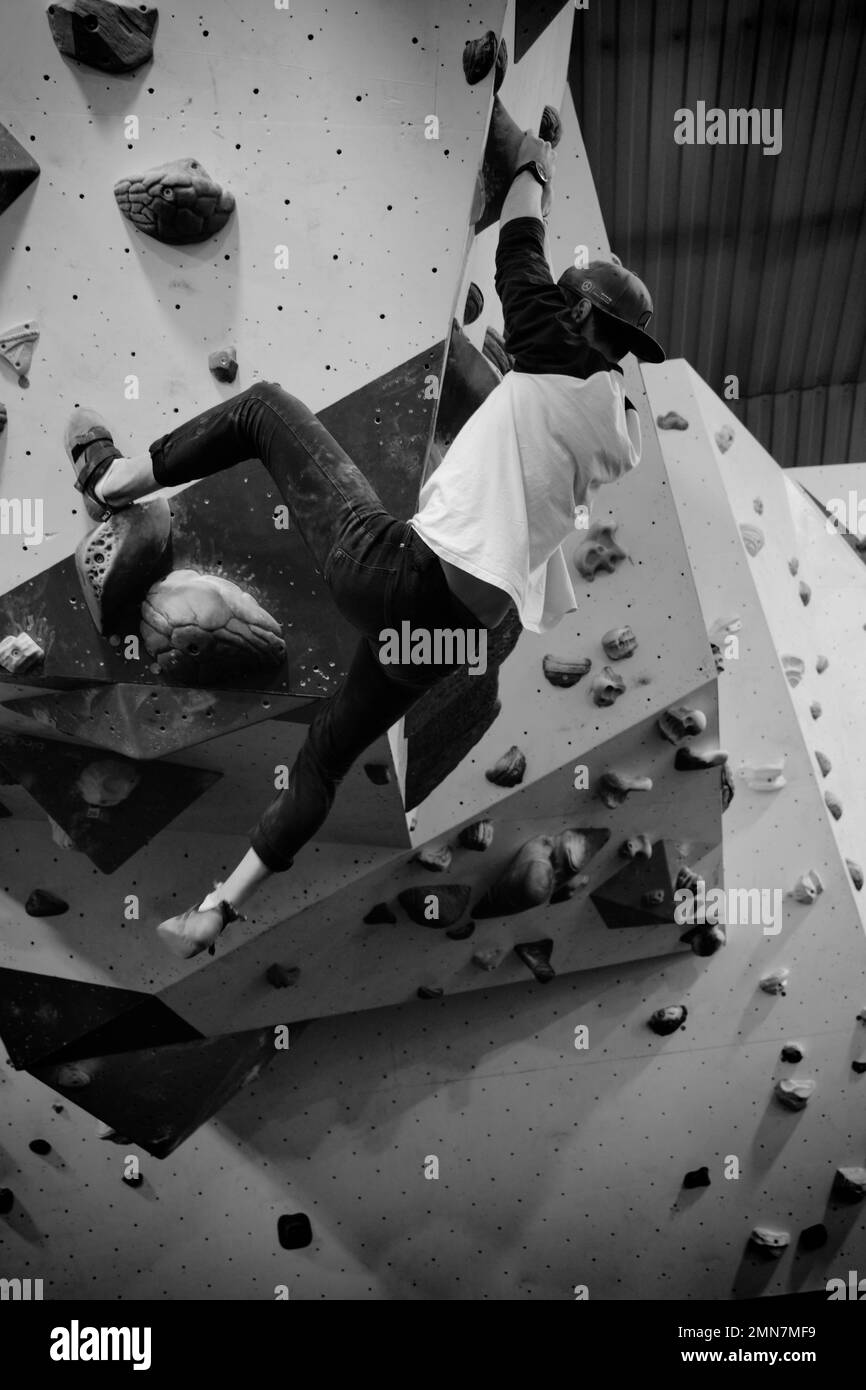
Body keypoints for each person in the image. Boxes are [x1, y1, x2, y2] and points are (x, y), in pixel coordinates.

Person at [66, 132, 664, 959]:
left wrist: (529, 161)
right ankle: (218, 908)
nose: (554, 307)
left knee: (263, 409)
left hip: (399, 577)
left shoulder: (558, 348)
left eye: (568, 303)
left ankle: (110, 482)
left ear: (583, 318)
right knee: (324, 754)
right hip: (450, 635)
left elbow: (518, 242)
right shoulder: (610, 426)